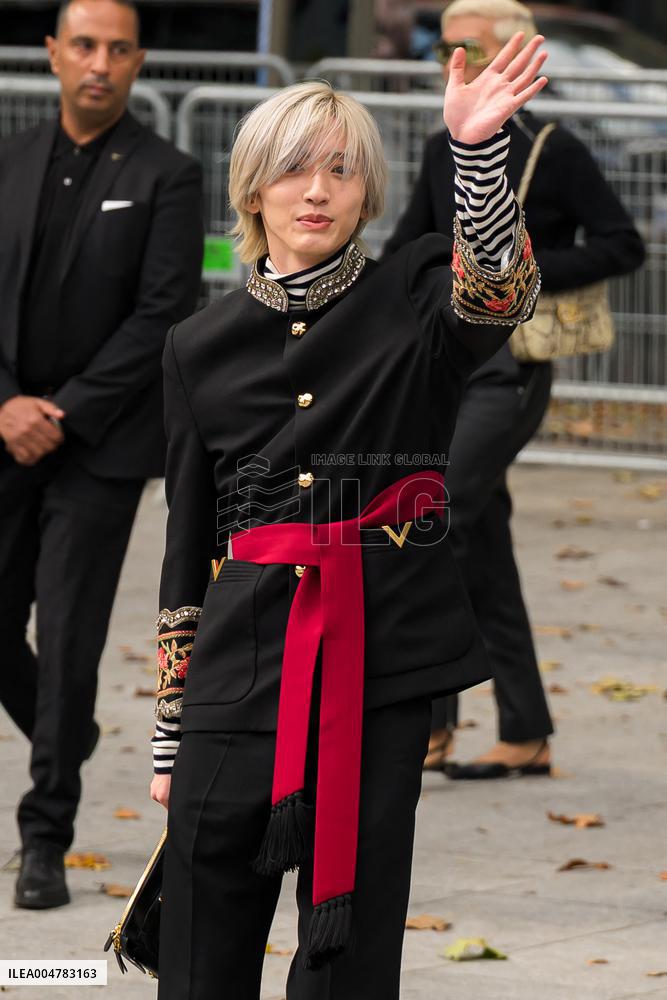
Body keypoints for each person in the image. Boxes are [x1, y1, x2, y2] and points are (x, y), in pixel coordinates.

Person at [149, 30, 546, 998]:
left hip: (383, 656)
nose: (315, 190)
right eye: (292, 170)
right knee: (202, 931)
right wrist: (169, 733)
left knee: (349, 950)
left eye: (339, 170)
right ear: (252, 190)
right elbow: (188, 545)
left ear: (368, 192)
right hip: (239, 663)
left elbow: (498, 292)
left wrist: (477, 155)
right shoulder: (197, 345)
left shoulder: (411, 296)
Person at [384, 0, 646, 779]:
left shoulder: (557, 150)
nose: (450, 63)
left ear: (517, 55)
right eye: (442, 51)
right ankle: (522, 729)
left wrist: (516, 275)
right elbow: (411, 245)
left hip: (516, 367)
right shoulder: (441, 146)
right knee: (477, 542)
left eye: (467, 48)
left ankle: (430, 718)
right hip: (453, 369)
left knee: (436, 516)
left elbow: (621, 244)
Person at [0, 0, 203, 909]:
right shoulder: (6, 164)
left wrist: (66, 412)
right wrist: (8, 405)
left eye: (118, 49)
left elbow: (163, 311)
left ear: (137, 62)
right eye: (83, 45)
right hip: (3, 430)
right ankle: (64, 731)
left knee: (70, 638)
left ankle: (45, 835)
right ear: (51, 53)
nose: (100, 63)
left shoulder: (168, 173)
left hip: (98, 448)